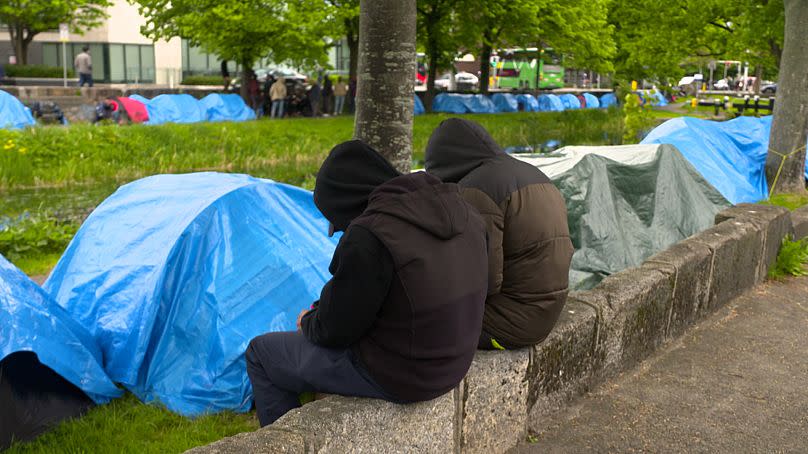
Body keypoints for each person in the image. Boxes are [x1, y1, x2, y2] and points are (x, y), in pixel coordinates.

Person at [245, 140, 489, 426]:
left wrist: (309, 320)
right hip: (455, 361)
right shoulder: (460, 207)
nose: (332, 230)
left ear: (346, 203)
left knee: (262, 354)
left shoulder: (370, 235)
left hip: (406, 374)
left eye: (334, 219)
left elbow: (335, 330)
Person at [425, 118, 574, 350]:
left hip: (507, 326)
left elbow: (484, 280)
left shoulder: (477, 188)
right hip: (549, 311)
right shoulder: (532, 173)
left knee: (413, 316)